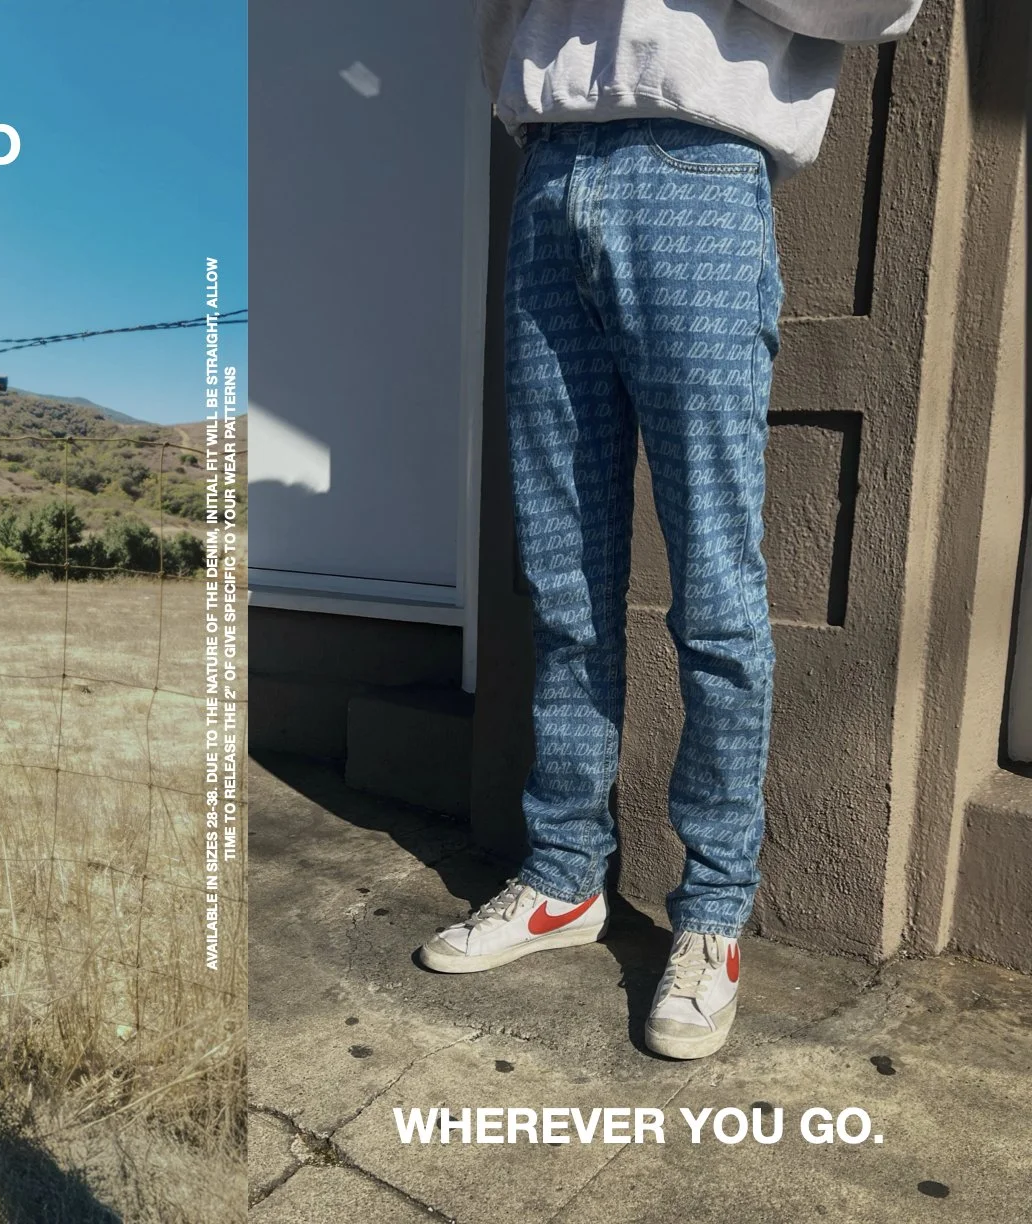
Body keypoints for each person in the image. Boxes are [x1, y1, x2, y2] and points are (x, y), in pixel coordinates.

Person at [419, 0, 924, 1059]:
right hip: (549, 164)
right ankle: (562, 876)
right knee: (562, 572)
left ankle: (711, 913)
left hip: (699, 169)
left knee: (714, 583)